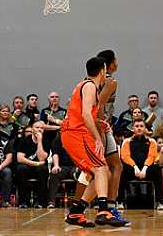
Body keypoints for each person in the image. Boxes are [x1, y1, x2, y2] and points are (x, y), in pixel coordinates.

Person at [61, 57, 126, 227]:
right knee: (101, 169)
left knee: (100, 172)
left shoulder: (88, 86)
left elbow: (84, 114)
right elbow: (85, 115)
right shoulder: (89, 86)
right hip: (76, 133)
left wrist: (99, 123)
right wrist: (97, 137)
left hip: (76, 132)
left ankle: (76, 212)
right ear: (103, 71)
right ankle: (104, 210)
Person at [92, 49, 127, 224]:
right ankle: (104, 208)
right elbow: (99, 106)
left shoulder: (93, 80)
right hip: (99, 128)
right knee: (102, 169)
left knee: (116, 166)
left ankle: (108, 207)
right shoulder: (110, 81)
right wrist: (100, 130)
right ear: (111, 63)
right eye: (116, 59)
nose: (118, 62)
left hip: (102, 127)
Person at [119, 118, 163, 210]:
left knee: (157, 169)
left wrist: (144, 169)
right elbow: (125, 156)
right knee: (121, 169)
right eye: (137, 126)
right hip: (132, 170)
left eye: (141, 126)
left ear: (145, 129)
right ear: (133, 129)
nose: (139, 128)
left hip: (146, 170)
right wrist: (135, 167)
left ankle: (160, 201)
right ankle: (120, 201)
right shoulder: (127, 141)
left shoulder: (152, 141)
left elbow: (151, 156)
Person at [14, 121, 48, 207]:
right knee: (21, 168)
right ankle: (23, 202)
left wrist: (39, 141)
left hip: (39, 168)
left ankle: (40, 202)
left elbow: (41, 158)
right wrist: (36, 163)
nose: (39, 129)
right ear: (32, 129)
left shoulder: (46, 140)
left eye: (42, 128)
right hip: (27, 167)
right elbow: (20, 158)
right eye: (37, 127)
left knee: (43, 169)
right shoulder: (24, 140)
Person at [47, 132, 77, 208]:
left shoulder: (78, 137)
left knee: (81, 175)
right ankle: (51, 201)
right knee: (54, 174)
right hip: (62, 166)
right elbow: (55, 153)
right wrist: (56, 165)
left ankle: (80, 201)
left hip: (75, 166)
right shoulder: (59, 139)